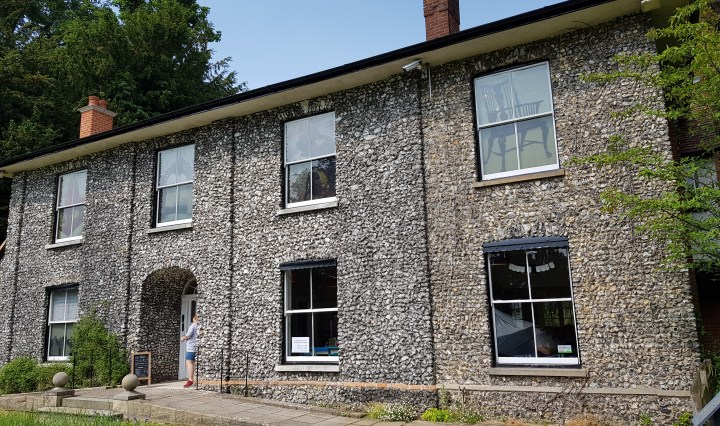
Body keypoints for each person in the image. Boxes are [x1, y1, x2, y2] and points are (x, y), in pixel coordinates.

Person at [180, 313, 200, 388]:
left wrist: (183, 338)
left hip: (191, 347)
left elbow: (188, 335)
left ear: (194, 318)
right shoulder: (200, 326)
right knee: (193, 363)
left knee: (189, 363)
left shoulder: (193, 325)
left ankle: (190, 380)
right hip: (197, 346)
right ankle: (194, 380)